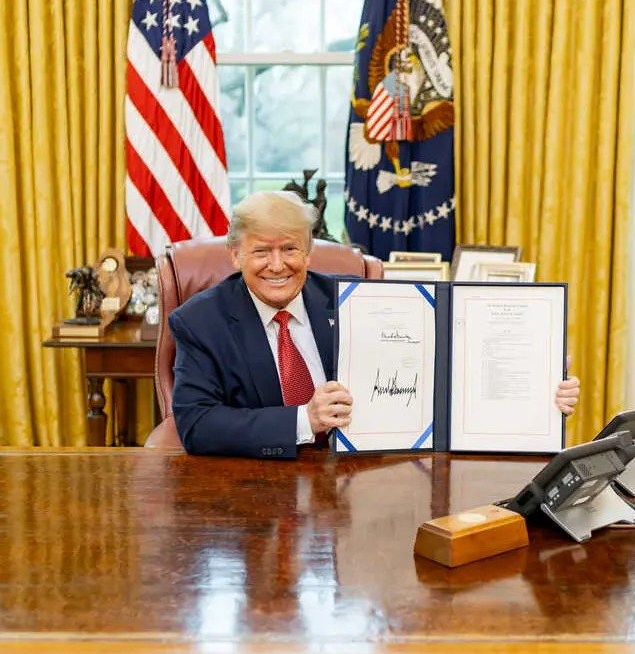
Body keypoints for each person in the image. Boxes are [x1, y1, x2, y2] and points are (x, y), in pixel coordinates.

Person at [168, 191, 581, 458]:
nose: (278, 265)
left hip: (359, 479)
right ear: (236, 255)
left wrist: (534, 391)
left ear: (309, 253)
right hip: (256, 497)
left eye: (291, 249)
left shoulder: (358, 301)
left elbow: (439, 377)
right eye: (262, 252)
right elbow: (197, 425)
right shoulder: (200, 321)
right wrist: (302, 420)